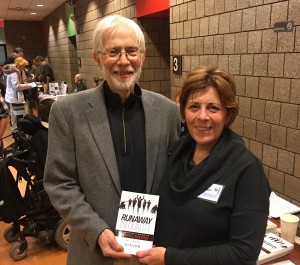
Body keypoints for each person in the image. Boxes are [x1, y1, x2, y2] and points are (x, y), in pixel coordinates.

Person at [43, 14, 180, 265]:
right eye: (113, 52)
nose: (124, 61)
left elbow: (177, 177)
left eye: (131, 51)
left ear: (143, 56)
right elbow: (59, 183)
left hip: (153, 252)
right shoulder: (67, 112)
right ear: (98, 58)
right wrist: (97, 231)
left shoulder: (168, 111)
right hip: (93, 251)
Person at [136, 66, 271, 265]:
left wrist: (170, 258)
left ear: (228, 114)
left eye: (213, 108)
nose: (202, 116)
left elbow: (243, 254)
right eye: (194, 107)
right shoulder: (175, 153)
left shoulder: (246, 170)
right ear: (183, 112)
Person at [2, 57, 32, 127]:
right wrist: (28, 85)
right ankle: (20, 132)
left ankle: (18, 130)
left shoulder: (12, 71)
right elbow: (17, 87)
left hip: (13, 96)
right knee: (19, 115)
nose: (24, 68)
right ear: (20, 65)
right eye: (23, 66)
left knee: (17, 115)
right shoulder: (14, 73)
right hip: (15, 97)